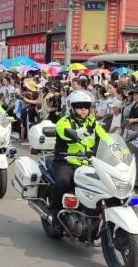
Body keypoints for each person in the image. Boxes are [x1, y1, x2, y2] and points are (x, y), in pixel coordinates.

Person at [51, 91, 110, 231]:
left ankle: (94, 214)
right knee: (62, 183)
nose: (83, 109)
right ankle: (55, 216)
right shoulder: (63, 122)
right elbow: (71, 136)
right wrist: (88, 130)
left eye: (86, 106)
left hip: (88, 163)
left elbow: (106, 138)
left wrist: (122, 150)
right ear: (72, 108)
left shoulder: (92, 122)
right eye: (79, 106)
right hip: (66, 161)